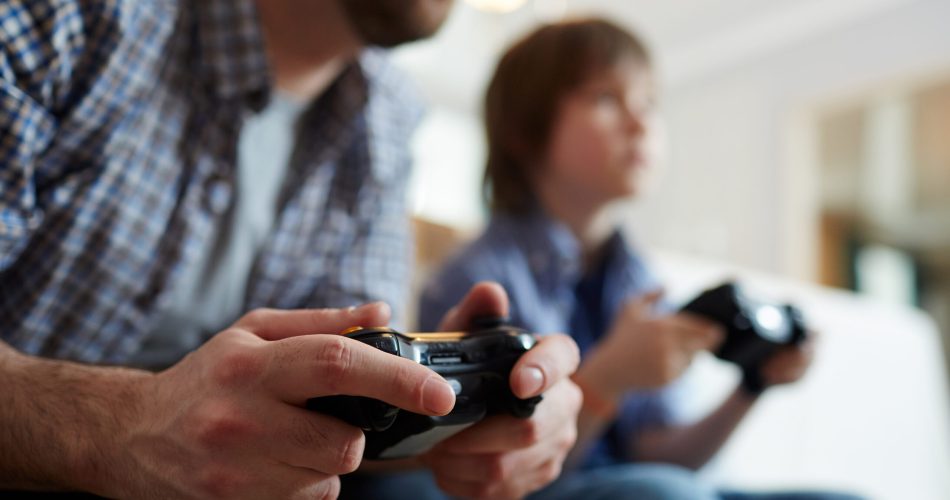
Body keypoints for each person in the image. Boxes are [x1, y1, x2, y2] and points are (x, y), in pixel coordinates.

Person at [0, 1, 581, 498]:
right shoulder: (76, 18)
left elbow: (341, 413)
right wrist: (122, 424)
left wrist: (459, 411)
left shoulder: (388, 116)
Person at [420, 18, 860, 500]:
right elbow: (498, 476)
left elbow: (664, 455)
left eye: (649, 102)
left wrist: (751, 388)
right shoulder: (480, 279)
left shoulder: (639, 278)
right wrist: (608, 376)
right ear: (526, 131)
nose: (641, 121)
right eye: (606, 98)